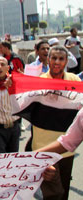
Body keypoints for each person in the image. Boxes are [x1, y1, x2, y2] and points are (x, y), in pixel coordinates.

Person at [28, 45, 81, 200]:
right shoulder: (37, 81)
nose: (57, 62)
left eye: (61, 58)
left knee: (63, 190)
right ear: (48, 60)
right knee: (52, 193)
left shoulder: (75, 81)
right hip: (43, 147)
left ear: (66, 62)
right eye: (54, 58)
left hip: (67, 148)